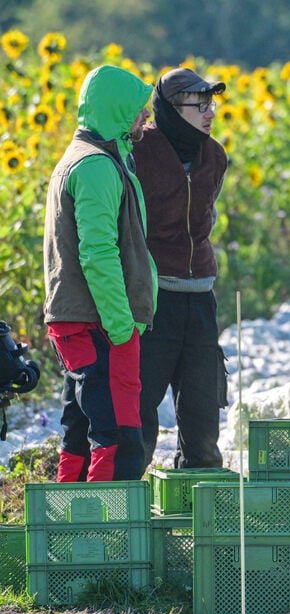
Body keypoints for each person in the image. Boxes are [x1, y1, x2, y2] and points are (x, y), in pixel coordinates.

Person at [43, 65, 155, 482]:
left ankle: (67, 523)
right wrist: (121, 325)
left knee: (81, 426)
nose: (145, 116)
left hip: (83, 319)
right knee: (115, 432)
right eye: (138, 109)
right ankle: (108, 532)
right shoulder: (95, 167)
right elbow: (97, 254)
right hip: (99, 321)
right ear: (116, 109)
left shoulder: (88, 158)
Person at [133, 68, 229, 469]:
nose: (209, 113)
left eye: (212, 104)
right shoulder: (141, 150)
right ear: (172, 109)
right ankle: (128, 504)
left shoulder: (215, 155)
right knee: (140, 413)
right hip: (154, 300)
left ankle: (198, 505)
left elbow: (209, 212)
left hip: (200, 298)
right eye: (199, 105)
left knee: (204, 413)